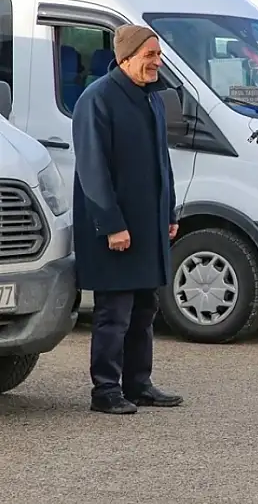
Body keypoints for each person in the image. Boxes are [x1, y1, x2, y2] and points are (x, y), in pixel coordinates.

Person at [72, 25, 183, 415]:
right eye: (149, 55)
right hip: (116, 229)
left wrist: (168, 212)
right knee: (113, 313)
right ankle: (105, 390)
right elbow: (93, 169)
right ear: (125, 57)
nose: (156, 62)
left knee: (144, 308)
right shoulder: (97, 99)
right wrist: (112, 224)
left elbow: (161, 164)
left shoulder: (151, 98)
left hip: (148, 225)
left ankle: (138, 384)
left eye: (158, 54)